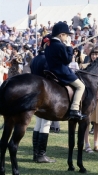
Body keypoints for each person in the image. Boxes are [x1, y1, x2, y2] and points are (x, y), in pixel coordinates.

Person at [45, 21, 86, 119]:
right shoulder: (60, 46)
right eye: (66, 35)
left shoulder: (49, 45)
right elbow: (67, 60)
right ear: (61, 35)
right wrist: (69, 47)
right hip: (62, 72)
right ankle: (74, 109)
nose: (67, 37)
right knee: (81, 86)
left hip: (51, 71)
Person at [30, 35, 55, 163]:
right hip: (44, 95)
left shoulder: (35, 59)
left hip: (35, 94)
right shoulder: (47, 59)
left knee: (38, 124)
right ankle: (41, 155)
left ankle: (36, 153)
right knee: (45, 124)